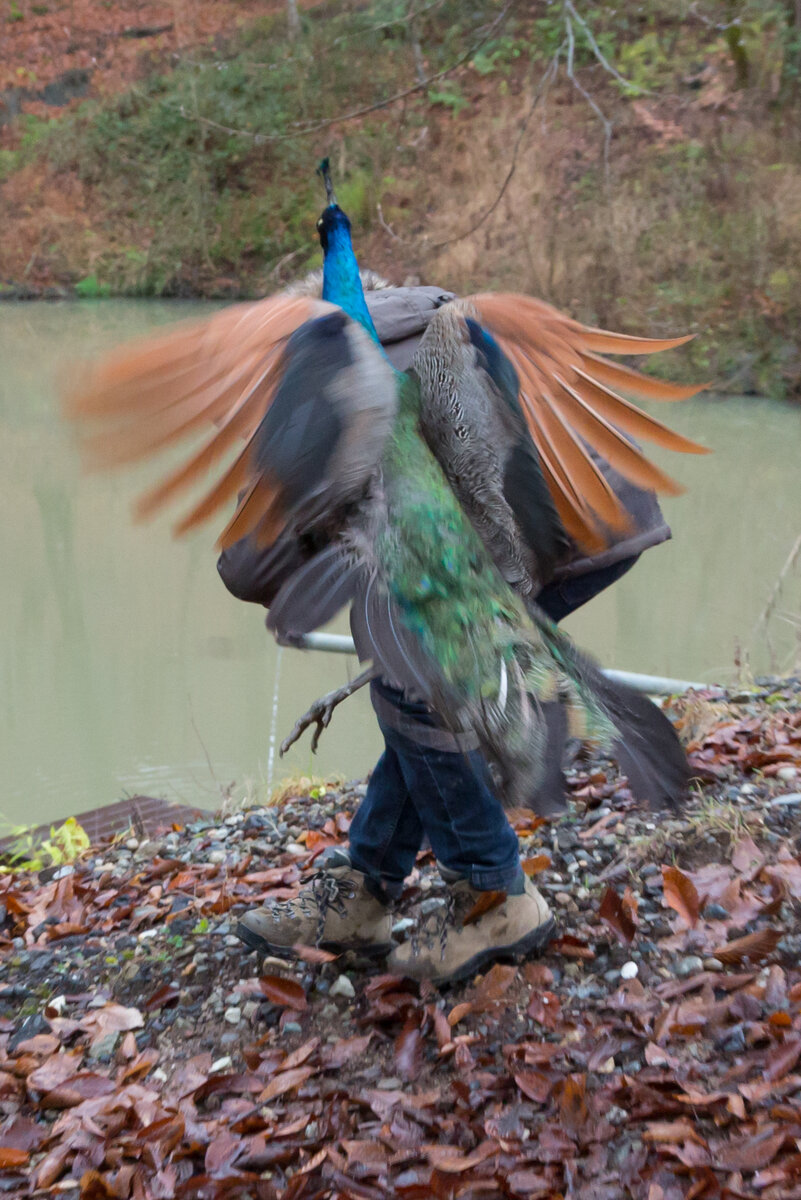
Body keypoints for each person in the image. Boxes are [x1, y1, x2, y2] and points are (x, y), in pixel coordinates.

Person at [219, 277, 672, 985]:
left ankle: (493, 896)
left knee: (415, 688)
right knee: (414, 685)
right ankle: (366, 888)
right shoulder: (416, 321)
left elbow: (250, 568)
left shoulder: (326, 385)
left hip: (558, 529)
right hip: (608, 506)